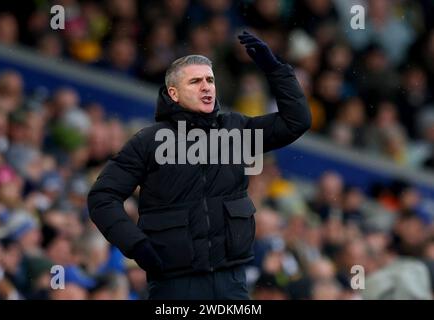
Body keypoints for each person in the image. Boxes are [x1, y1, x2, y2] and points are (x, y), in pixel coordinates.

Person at [87, 31, 311, 300]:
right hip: (175, 283)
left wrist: (275, 69)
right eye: (195, 81)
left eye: (210, 80)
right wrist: (137, 246)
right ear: (174, 93)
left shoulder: (236, 129)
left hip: (231, 280)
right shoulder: (148, 141)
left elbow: (296, 121)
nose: (206, 86)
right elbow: (102, 197)